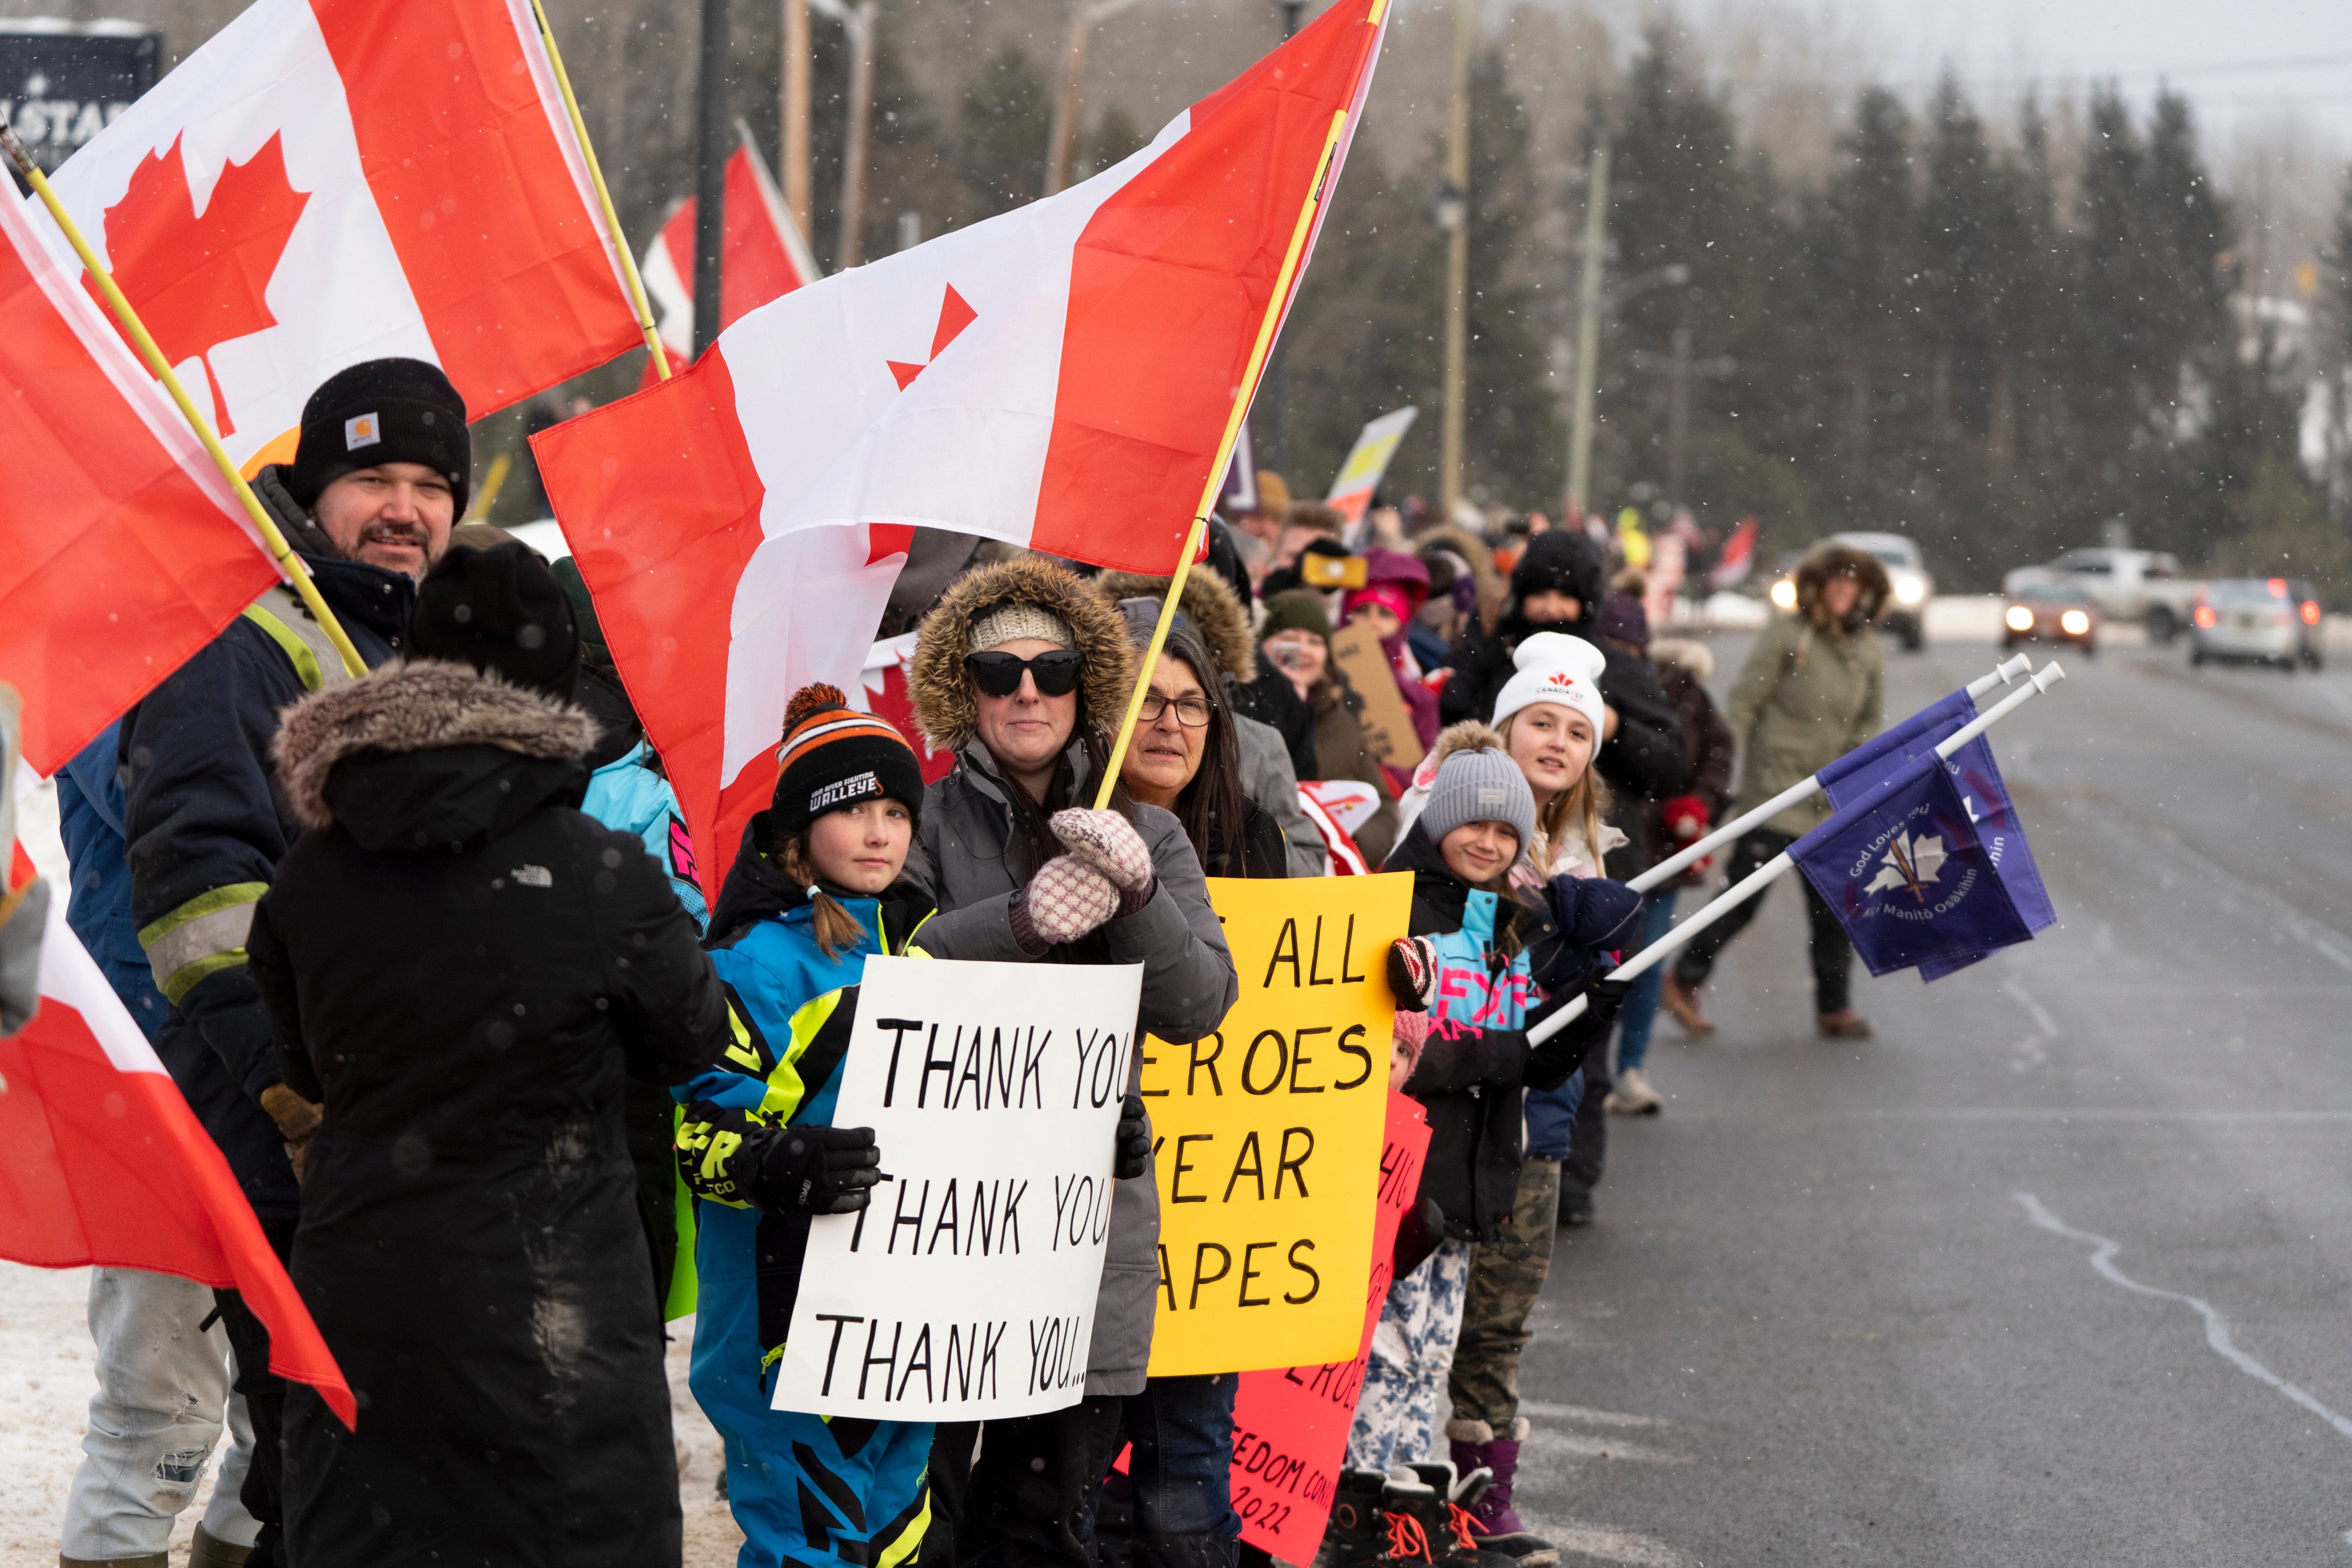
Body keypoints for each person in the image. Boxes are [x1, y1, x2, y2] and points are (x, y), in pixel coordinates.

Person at [246, 541, 735, 1566]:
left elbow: (306, 1062)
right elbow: (693, 1037)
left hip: (363, 1288)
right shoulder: (604, 871)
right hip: (557, 1304)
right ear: (562, 689)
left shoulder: (308, 876)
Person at [117, 357, 463, 1564]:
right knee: (327, 1458)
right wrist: (297, 1085)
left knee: (345, 1465)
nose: (403, 506)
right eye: (372, 476)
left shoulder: (447, 645)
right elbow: (197, 887)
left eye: (430, 481)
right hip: (294, 1133)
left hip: (431, 1134)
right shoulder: (234, 643)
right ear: (312, 491)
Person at [901, 556, 1237, 1568]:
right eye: (999, 674)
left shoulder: (1153, 830)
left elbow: (1199, 1008)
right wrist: (1012, 923)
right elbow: (886, 978)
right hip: (943, 1226)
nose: (1029, 693)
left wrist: (1143, 898)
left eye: (1052, 670)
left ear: (1087, 684)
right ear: (964, 691)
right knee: (932, 1523)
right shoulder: (912, 821)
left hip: (1090, 1219)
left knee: (1052, 1529)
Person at [674, 683, 937, 1568]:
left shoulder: (926, 948)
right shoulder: (747, 964)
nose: (880, 831)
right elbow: (694, 1137)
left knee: (897, 1534)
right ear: (798, 833)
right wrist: (775, 1161)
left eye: (897, 809)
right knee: (806, 1542)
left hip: (905, 1318)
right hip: (785, 1325)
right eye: (855, 808)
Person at [1344, 732, 1623, 1485]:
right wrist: (1498, 1054)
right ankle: (1362, 1502)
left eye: (1507, 831)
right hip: (1396, 1180)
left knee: (1431, 1358)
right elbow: (1389, 1059)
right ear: (1440, 820)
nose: (1489, 843)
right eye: (1475, 824)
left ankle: (1410, 1502)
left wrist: (1595, 999)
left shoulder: (1507, 921)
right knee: (1382, 1356)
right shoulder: (1389, 906)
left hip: (1470, 1179)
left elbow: (1533, 1058)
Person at [1440, 638, 1640, 1560]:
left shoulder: (1597, 860)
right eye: (1539, 722)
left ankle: (1485, 1490)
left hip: (1534, 1127)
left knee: (1498, 1320)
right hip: (1441, 1115)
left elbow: (1572, 1030)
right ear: (1506, 729)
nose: (1557, 741)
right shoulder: (1448, 824)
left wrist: (1597, 966)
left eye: (1576, 729)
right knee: (1417, 1310)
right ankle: (1390, 1475)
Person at [52, 721, 259, 1568]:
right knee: (157, 1416)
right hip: (152, 1071)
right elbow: (173, 805)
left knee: (288, 1406)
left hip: (284, 1055)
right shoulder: (117, 674)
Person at [1666, 540, 1888, 1039]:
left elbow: (1868, 723)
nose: (1841, 592)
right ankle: (1682, 979)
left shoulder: (1867, 648)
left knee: (1834, 907)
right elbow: (1745, 702)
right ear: (1818, 586)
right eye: (1834, 582)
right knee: (1744, 897)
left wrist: (1853, 776)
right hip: (1776, 791)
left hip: (1829, 797)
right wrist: (1716, 770)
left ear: (1863, 593)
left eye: (1851, 584)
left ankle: (1834, 1006)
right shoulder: (1791, 635)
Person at [1094, 569, 1326, 878]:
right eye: (1146, 700)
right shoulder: (1062, 813)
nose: (1170, 724)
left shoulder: (1250, 829)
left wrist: (1253, 841)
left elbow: (1305, 869)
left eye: (1190, 705)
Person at [1603, 636, 1732, 1116]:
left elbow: (1718, 753)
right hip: (1594, 855)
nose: (1621, 649)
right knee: (1591, 971)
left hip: (1659, 857)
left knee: (1646, 964)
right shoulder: (1584, 683)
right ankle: (1575, 1074)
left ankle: (1630, 1069)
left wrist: (1699, 801)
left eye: (1626, 637)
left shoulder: (1683, 691)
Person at [1250, 591, 1399, 866]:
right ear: (1262, 647)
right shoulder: (1239, 710)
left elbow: (1385, 811)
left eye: (1315, 642)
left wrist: (1343, 846)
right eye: (1289, 638)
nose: (1303, 650)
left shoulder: (1342, 721)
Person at [1340, 549, 1439, 754]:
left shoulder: (1419, 699)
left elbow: (1422, 770)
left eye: (1385, 614)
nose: (1372, 623)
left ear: (1401, 623)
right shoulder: (1320, 678)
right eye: (1362, 610)